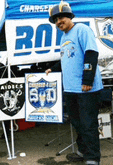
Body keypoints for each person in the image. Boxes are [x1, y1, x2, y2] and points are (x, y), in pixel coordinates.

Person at [46, 2, 103, 165]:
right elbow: (66, 58)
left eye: (61, 17)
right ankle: (82, 150)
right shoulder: (64, 37)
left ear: (70, 17)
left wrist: (87, 80)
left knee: (88, 124)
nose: (58, 22)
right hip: (70, 89)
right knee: (77, 123)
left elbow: (91, 53)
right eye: (55, 20)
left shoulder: (82, 30)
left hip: (87, 89)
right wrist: (53, 68)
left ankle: (93, 158)